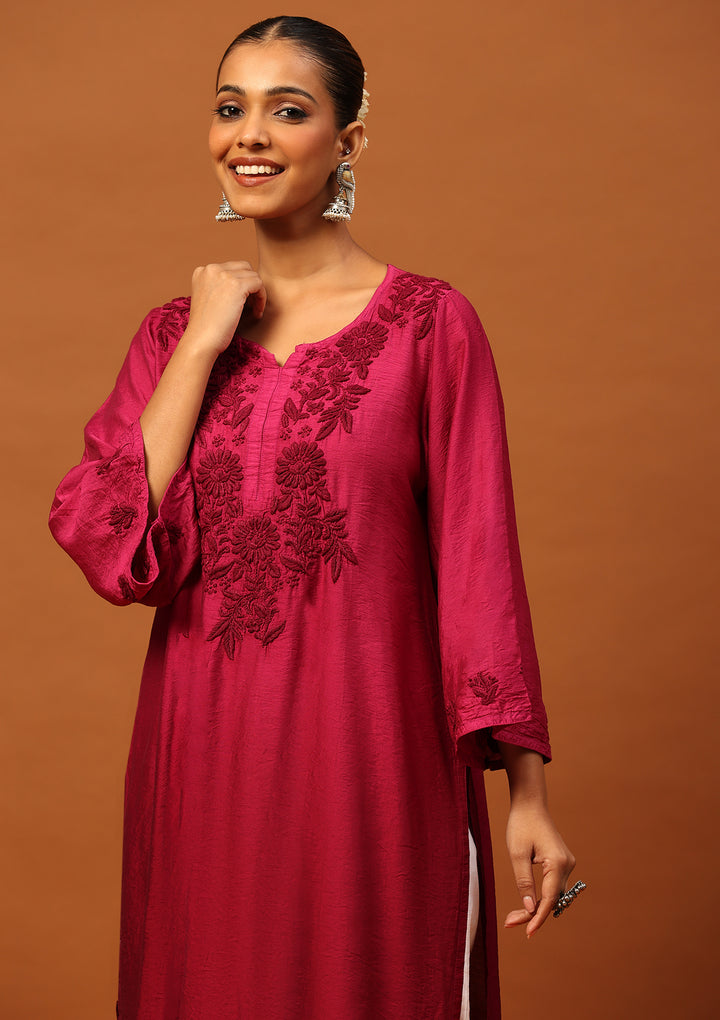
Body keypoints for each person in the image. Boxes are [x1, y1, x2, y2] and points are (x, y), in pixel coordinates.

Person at [49, 16, 581, 1020]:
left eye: (287, 111)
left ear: (349, 141)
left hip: (372, 755)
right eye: (230, 107)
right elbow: (111, 542)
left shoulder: (428, 326)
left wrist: (528, 797)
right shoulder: (171, 337)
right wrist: (201, 344)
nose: (249, 135)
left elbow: (480, 562)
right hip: (202, 758)